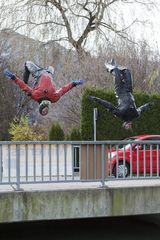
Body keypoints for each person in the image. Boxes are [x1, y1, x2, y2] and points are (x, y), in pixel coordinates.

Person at [88, 59, 151, 130]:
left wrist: (96, 99)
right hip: (128, 90)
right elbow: (141, 109)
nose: (129, 126)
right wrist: (148, 105)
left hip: (119, 91)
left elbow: (108, 105)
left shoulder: (120, 114)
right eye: (130, 126)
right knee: (127, 71)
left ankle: (109, 67)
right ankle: (114, 66)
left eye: (127, 127)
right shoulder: (135, 115)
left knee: (116, 72)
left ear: (124, 124)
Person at [4, 61, 84, 116]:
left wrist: (14, 78)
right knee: (52, 67)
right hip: (49, 73)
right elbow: (63, 90)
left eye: (43, 112)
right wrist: (73, 84)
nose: (46, 111)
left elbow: (24, 87)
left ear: (41, 108)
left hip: (38, 73)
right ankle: (45, 68)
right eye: (46, 112)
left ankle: (29, 75)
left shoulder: (35, 96)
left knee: (27, 63)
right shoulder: (54, 98)